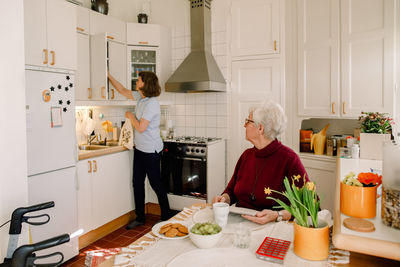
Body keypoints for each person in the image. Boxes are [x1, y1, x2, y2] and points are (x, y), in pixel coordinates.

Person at [212, 101, 310, 225]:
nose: (244, 125)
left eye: (248, 121)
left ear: (260, 128)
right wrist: (224, 199)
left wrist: (278, 215)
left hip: (271, 228)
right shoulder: (246, 155)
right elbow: (231, 190)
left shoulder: (289, 159)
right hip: (239, 226)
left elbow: (310, 206)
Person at [108, 71, 171, 229]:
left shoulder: (152, 103)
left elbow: (141, 127)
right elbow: (122, 90)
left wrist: (130, 116)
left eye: (139, 80)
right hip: (140, 149)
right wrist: (108, 75)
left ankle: (166, 216)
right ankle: (140, 218)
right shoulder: (141, 97)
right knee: (137, 183)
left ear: (145, 83)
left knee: (156, 184)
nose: (136, 81)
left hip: (151, 150)